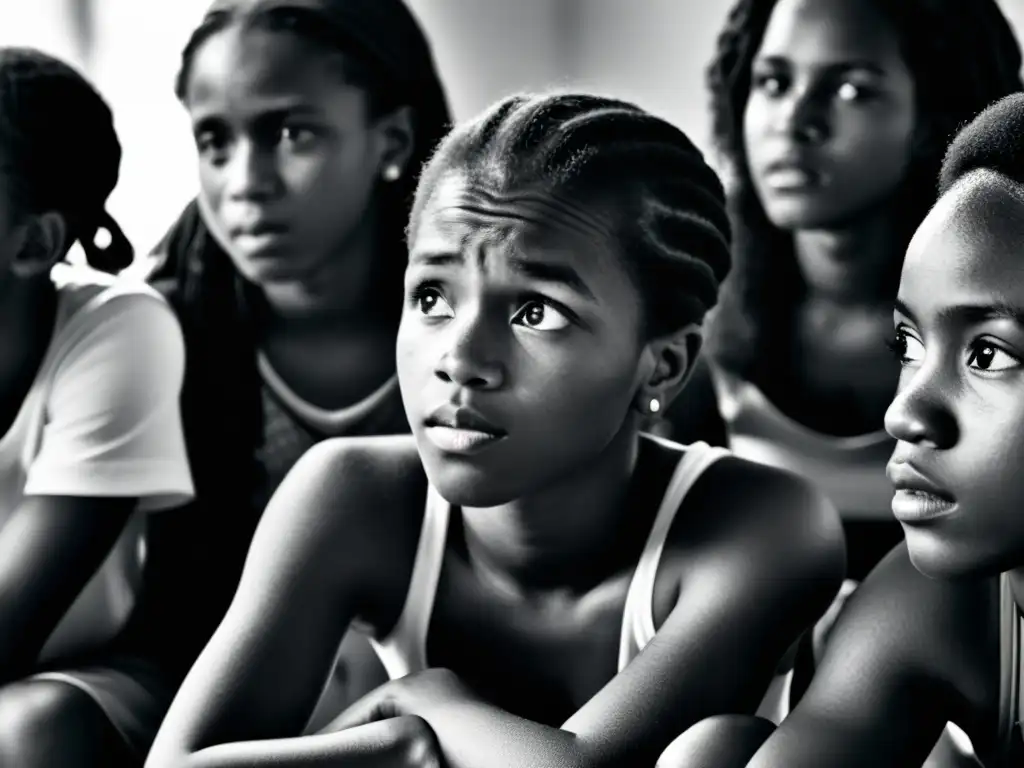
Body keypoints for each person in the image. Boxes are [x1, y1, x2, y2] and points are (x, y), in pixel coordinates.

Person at [144, 90, 846, 768]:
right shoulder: (352, 495)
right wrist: (399, 744)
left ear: (662, 366)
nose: (460, 361)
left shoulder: (768, 524)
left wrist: (429, 705)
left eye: (536, 312)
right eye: (432, 297)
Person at [0, 1, 453, 765]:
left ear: (393, 140)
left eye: (291, 133)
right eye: (215, 140)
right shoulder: (169, 322)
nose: (245, 182)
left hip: (446, 666)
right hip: (208, 674)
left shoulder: (487, 327)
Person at [657, 0, 1024, 719]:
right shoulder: (689, 322)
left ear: (934, 111)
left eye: (850, 88)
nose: (794, 122)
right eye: (772, 82)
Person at [0, 48, 194, 767]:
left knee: (27, 728)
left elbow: (11, 629)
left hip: (95, 673)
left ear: (34, 243)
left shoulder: (121, 329)